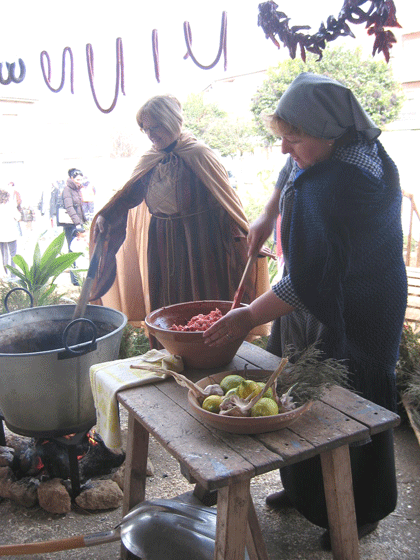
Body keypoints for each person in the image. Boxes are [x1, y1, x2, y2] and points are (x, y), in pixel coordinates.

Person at [203, 73, 407, 547]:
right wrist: (267, 212)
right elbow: (290, 174)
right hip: (311, 292)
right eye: (282, 137)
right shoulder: (328, 151)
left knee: (355, 406)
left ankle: (362, 511)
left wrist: (248, 316)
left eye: (292, 139)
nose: (284, 149)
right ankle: (304, 489)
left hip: (361, 305)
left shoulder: (346, 185)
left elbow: (310, 281)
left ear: (331, 134)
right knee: (297, 388)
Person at [90, 94, 270, 335]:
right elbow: (129, 194)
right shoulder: (150, 159)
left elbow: (225, 203)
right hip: (162, 241)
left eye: (157, 127)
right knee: (166, 299)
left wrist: (244, 237)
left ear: (173, 121)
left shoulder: (199, 155)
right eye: (146, 129)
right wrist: (107, 215)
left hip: (202, 243)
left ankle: (207, 349)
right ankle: (171, 349)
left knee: (205, 299)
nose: (151, 135)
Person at [62, 168, 86, 286]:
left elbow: (79, 207)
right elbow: (70, 208)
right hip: (71, 225)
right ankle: (74, 279)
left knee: (77, 250)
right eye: (77, 179)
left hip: (77, 223)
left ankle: (77, 277)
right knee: (72, 251)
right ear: (71, 178)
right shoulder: (67, 190)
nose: (79, 181)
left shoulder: (76, 189)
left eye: (81, 179)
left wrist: (83, 222)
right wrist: (77, 223)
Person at [0, 188, 21, 278]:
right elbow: (18, 217)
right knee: (13, 254)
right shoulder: (11, 206)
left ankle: (5, 272)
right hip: (11, 234)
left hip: (1, 235)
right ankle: (13, 275)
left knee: (4, 255)